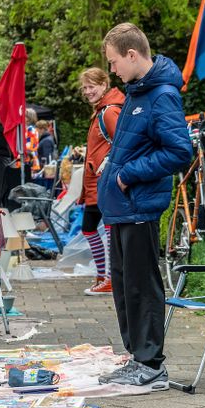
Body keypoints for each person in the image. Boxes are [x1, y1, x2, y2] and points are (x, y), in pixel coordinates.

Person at [96, 23, 192, 390]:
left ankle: (151, 363)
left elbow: (179, 151)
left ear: (133, 55)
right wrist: (114, 168)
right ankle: (138, 357)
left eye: (114, 62)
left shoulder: (161, 95)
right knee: (124, 286)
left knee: (141, 286)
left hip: (138, 206)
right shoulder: (137, 93)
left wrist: (127, 174)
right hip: (124, 207)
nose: (112, 70)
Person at [78, 67, 124, 296]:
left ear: (104, 84)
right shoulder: (101, 110)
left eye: (91, 86)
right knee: (89, 229)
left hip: (103, 181)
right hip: (95, 182)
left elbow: (122, 144)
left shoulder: (108, 111)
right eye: (85, 88)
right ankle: (103, 275)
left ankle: (110, 278)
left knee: (107, 230)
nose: (87, 91)